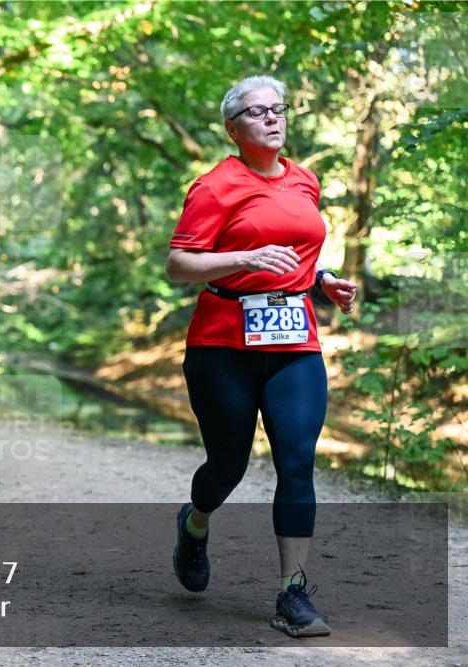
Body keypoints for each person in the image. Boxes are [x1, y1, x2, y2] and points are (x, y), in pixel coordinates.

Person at [166, 76, 357, 639]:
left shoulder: (304, 180)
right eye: (257, 112)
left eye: (279, 109)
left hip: (294, 340)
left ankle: (292, 594)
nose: (273, 119)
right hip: (223, 342)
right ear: (233, 127)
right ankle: (195, 524)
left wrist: (321, 280)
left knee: (297, 460)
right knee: (228, 464)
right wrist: (243, 255)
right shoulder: (215, 186)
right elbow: (179, 264)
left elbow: (294, 253)